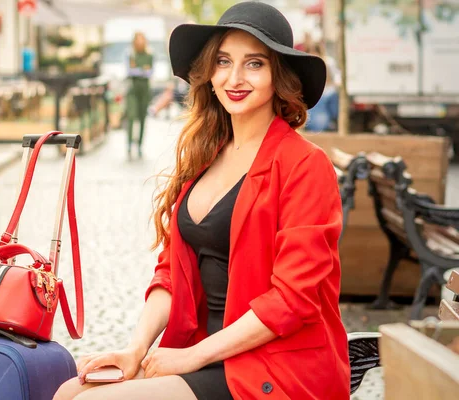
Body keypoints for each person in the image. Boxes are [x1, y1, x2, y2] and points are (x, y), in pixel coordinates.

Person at [55, 2, 349, 399]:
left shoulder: (305, 166)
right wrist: (135, 350)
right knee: (68, 392)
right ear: (209, 73)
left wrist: (191, 357)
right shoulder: (206, 156)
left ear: (279, 77)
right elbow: (171, 273)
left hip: (273, 366)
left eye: (255, 64)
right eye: (224, 61)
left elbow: (291, 301)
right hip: (203, 353)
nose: (235, 77)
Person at [125, 32, 153, 160]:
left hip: (145, 91)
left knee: (142, 118)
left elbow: (149, 72)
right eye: (138, 40)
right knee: (131, 117)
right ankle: (130, 145)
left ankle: (140, 146)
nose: (140, 42)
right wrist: (142, 70)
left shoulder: (149, 55)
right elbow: (130, 71)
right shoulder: (130, 55)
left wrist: (138, 70)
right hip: (132, 90)